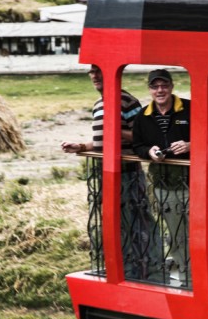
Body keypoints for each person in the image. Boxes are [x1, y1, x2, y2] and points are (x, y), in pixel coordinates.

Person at [61, 66, 162, 281]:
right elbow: (103, 140)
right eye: (92, 71)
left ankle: (151, 272)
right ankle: (127, 272)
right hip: (106, 175)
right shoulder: (99, 104)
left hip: (128, 174)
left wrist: (117, 130)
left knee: (139, 224)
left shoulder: (127, 101)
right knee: (116, 227)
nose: (95, 75)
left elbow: (144, 136)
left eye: (99, 70)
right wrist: (81, 146)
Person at [132, 69, 208, 287]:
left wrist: (190, 145)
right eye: (155, 86)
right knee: (176, 236)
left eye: (164, 85)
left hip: (194, 183)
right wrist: (149, 152)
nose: (160, 90)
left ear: (171, 86)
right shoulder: (143, 116)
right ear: (149, 89)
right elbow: (137, 145)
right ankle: (188, 281)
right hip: (163, 185)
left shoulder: (190, 107)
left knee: (203, 234)